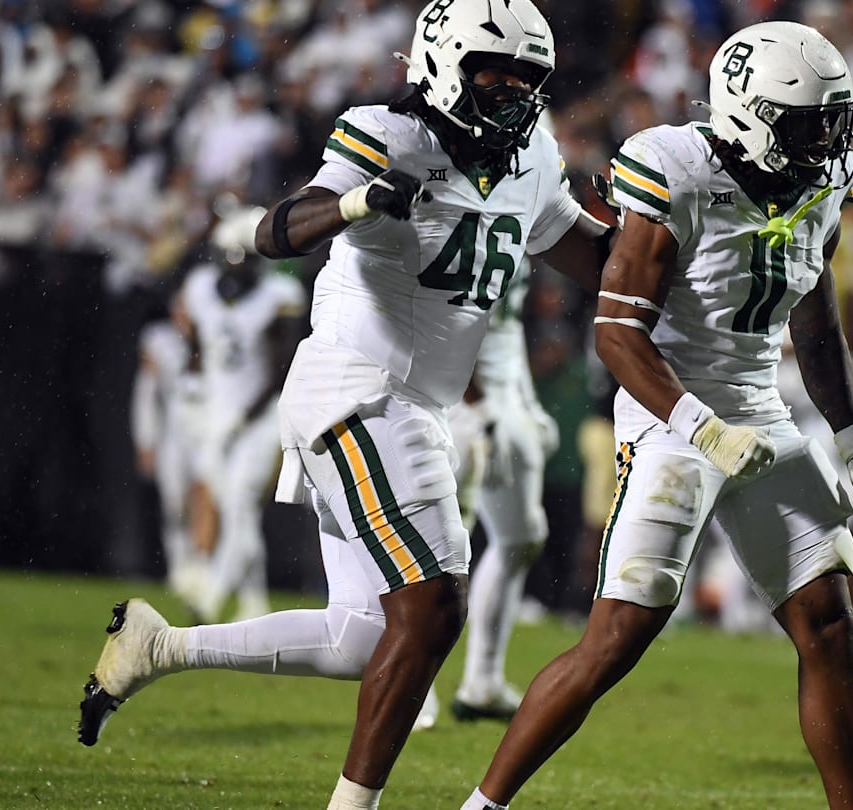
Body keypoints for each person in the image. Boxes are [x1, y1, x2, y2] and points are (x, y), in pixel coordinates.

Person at [77, 3, 612, 809]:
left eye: (526, 77)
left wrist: (665, 234)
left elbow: (592, 256)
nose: (511, 91)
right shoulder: (386, 133)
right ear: (443, 64)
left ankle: (159, 647)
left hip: (414, 406)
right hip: (358, 389)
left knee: (363, 637)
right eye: (493, 71)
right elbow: (277, 230)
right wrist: (357, 204)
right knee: (432, 606)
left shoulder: (531, 153)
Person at [459, 21, 853, 810]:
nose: (829, 141)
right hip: (669, 412)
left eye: (835, 121)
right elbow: (617, 333)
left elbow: (816, 326)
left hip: (759, 411)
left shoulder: (820, 186)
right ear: (752, 118)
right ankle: (482, 806)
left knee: (830, 626)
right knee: (617, 638)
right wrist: (702, 429)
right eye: (809, 124)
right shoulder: (678, 169)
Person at [413, 257, 561, 729]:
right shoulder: (465, 225)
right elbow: (448, 317)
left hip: (500, 403)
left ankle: (482, 681)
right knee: (436, 553)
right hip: (457, 404)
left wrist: (525, 403)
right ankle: (412, 686)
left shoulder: (518, 227)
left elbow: (505, 331)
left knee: (521, 538)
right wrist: (476, 404)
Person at [178, 204, 307, 622]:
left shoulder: (279, 295)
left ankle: (211, 598)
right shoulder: (200, 287)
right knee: (239, 515)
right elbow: (198, 345)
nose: (235, 268)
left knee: (240, 504)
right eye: (229, 258)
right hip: (217, 414)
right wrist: (194, 393)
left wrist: (245, 415)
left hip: (262, 417)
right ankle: (254, 602)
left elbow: (282, 366)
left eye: (244, 259)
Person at [130, 303, 210, 607]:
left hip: (209, 432)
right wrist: (146, 439)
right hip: (175, 433)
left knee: (205, 502)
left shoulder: (215, 334)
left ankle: (201, 570)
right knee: (174, 503)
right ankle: (178, 569)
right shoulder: (158, 339)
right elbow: (146, 392)